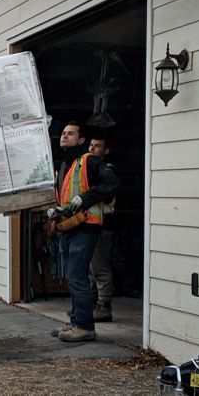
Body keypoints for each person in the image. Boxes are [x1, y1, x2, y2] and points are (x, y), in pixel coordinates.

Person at [48, 121, 119, 343]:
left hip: (86, 227)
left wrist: (85, 198)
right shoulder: (66, 164)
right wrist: (58, 211)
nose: (64, 136)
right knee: (74, 277)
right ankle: (77, 321)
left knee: (78, 277)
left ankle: (85, 327)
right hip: (69, 227)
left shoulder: (89, 161)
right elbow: (68, 196)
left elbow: (113, 183)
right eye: (63, 132)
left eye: (70, 133)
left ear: (81, 140)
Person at [88, 135, 117, 323]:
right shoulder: (89, 170)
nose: (92, 149)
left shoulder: (107, 171)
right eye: (91, 145)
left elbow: (106, 196)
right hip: (91, 224)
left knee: (99, 267)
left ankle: (104, 306)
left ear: (106, 151)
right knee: (91, 267)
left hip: (103, 225)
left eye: (97, 146)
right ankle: (93, 304)